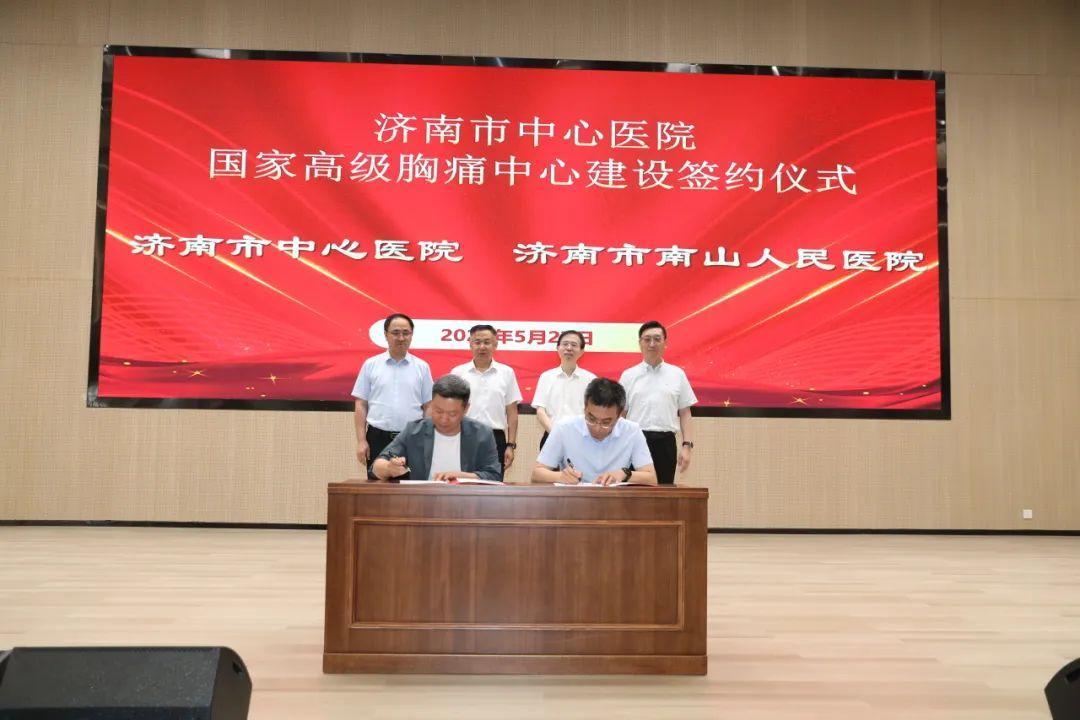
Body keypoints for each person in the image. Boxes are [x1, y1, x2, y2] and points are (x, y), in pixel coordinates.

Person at [372, 375, 502, 482]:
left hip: (465, 502)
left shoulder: (482, 434)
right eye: (438, 411)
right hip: (422, 501)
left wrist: (462, 477)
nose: (444, 419)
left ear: (466, 409)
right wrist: (389, 468)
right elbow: (376, 467)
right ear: (431, 403)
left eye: (452, 414)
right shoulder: (414, 431)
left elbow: (494, 475)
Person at [531, 378, 657, 486]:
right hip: (574, 501)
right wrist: (560, 476)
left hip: (615, 501)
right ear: (585, 408)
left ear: (619, 416)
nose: (597, 428)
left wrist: (625, 473)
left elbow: (651, 478)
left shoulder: (632, 431)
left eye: (606, 422)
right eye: (591, 419)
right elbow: (536, 474)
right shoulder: (564, 428)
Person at [352, 313, 433, 477]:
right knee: (377, 487)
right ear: (386, 335)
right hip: (377, 437)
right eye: (395, 333)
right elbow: (361, 403)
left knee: (412, 487)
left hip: (412, 438)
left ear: (411, 335)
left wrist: (428, 439)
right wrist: (361, 441)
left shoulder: (422, 367)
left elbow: (429, 406)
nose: (401, 338)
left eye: (406, 333)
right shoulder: (371, 365)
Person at [618, 320, 697, 486]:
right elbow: (620, 415)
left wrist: (686, 446)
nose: (652, 344)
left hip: (665, 443)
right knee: (633, 491)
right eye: (647, 339)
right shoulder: (628, 375)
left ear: (665, 343)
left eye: (657, 339)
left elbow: (685, 413)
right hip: (635, 441)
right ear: (640, 343)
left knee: (664, 491)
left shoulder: (677, 374)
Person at [450, 325, 522, 478]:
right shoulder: (458, 373)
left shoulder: (507, 373)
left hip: (495, 438)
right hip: (463, 436)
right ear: (470, 344)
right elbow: (450, 410)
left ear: (495, 345)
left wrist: (510, 445)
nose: (482, 346)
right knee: (461, 482)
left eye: (487, 342)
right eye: (477, 342)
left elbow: (512, 413)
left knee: (493, 483)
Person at [532, 329, 596, 451]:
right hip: (552, 436)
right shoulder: (546, 377)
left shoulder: (591, 379)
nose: (569, 348)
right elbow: (540, 411)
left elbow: (595, 413)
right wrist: (556, 434)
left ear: (582, 351)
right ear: (558, 348)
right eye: (565, 344)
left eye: (574, 345)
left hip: (582, 439)